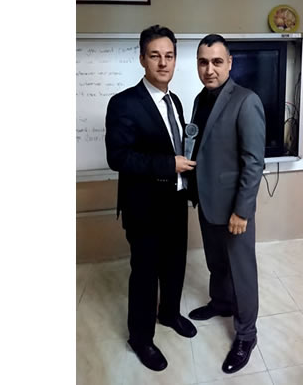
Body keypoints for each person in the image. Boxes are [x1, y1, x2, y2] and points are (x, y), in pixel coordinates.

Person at [104, 25, 198, 372]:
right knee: (144, 275)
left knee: (175, 266)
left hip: (175, 201)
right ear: (142, 58)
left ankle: (169, 314)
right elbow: (118, 157)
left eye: (169, 56)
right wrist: (168, 164)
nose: (163, 63)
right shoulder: (123, 103)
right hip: (143, 207)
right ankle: (140, 338)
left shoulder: (175, 101)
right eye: (155, 55)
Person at [186, 34, 266, 374]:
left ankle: (246, 334)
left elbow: (254, 162)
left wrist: (242, 211)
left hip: (234, 209)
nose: (210, 69)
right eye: (203, 62)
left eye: (217, 62)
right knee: (216, 262)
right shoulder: (199, 99)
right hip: (206, 201)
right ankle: (220, 302)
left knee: (241, 272)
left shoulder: (246, 101)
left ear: (229, 63)